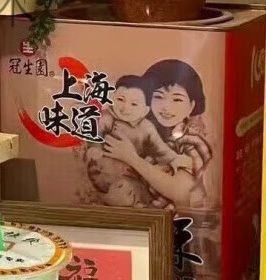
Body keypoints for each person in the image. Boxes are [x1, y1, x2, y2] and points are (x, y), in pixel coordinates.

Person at [102, 59, 212, 210]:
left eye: (177, 99)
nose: (166, 107)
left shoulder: (190, 141)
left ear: (191, 106)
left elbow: (182, 193)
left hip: (177, 221)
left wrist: (131, 158)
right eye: (158, 96)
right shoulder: (146, 131)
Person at [86, 73, 191, 206]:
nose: (125, 107)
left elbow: (161, 149)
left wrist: (175, 159)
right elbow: (95, 133)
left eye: (134, 104)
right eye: (120, 99)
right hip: (104, 168)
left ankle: (144, 203)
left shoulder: (147, 128)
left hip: (132, 172)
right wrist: (94, 147)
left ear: (145, 110)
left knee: (136, 188)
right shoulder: (108, 117)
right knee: (109, 189)